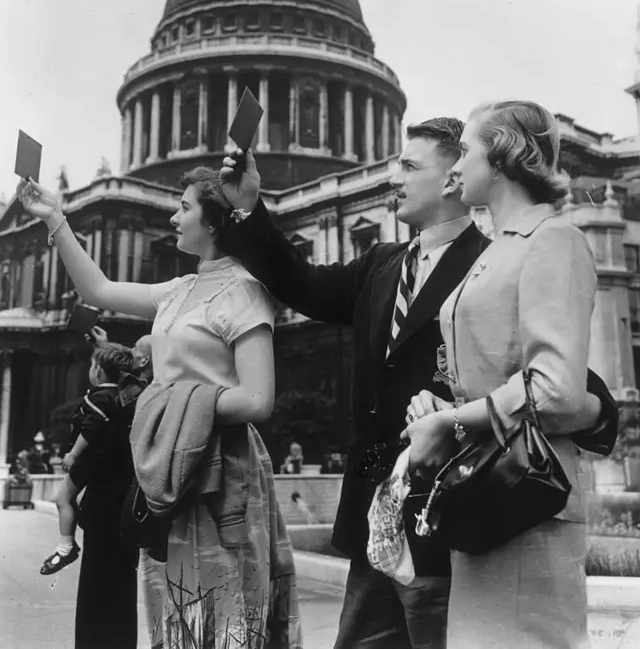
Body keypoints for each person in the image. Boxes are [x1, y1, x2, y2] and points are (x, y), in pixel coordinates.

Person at [220, 119, 617, 649]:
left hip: (454, 510)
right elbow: (303, 283)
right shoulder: (382, 264)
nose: (393, 178)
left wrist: (600, 413)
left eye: (409, 166)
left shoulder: (498, 258)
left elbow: (558, 376)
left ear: (454, 178)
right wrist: (250, 209)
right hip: (373, 517)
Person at [18, 166, 302, 649]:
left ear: (212, 224)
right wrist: (55, 220)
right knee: (174, 608)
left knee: (224, 607)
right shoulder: (177, 290)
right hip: (166, 467)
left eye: (184, 208)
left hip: (221, 470)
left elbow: (258, 399)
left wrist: (165, 400)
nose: (173, 218)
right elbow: (99, 290)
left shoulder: (246, 292)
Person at [403, 100, 603, 648]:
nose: (454, 167)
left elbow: (557, 388)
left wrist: (449, 423)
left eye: (465, 151)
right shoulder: (497, 251)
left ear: (504, 156)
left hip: (528, 496)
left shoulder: (552, 241)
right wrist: (439, 409)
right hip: (490, 491)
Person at [40, 338, 133, 576]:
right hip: (105, 463)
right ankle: (70, 539)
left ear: (97, 371)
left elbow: (91, 428)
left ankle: (66, 546)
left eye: (92, 364)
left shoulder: (100, 398)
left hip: (88, 460)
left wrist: (73, 454)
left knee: (62, 498)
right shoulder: (119, 395)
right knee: (69, 500)